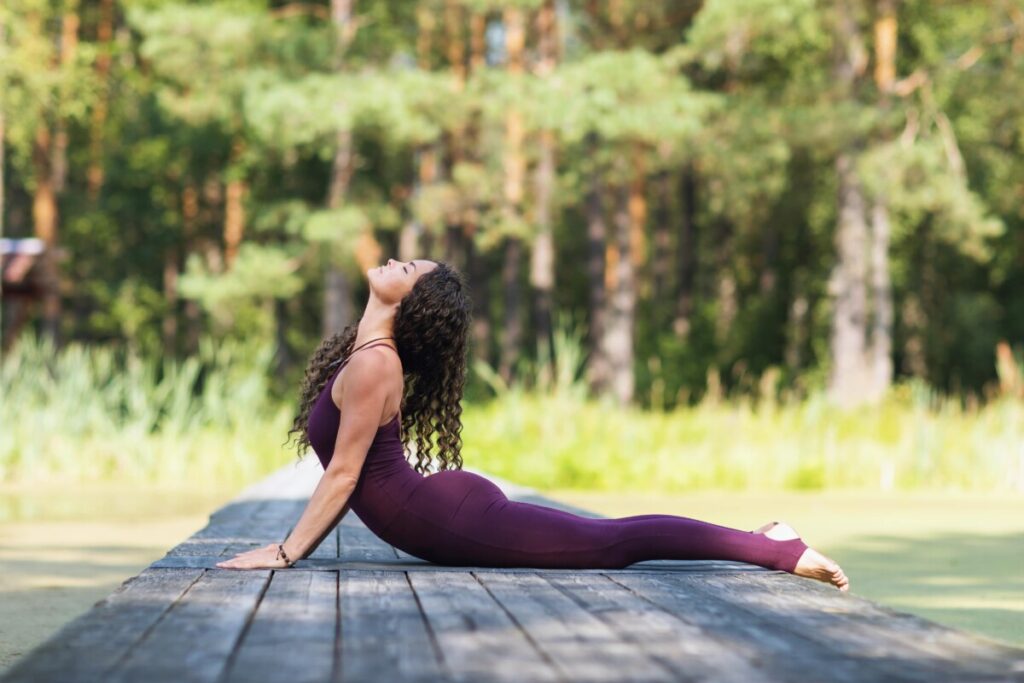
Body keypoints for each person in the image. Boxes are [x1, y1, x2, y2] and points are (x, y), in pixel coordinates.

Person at [216, 258, 850, 592]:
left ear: (411, 305)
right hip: (443, 510)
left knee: (612, 544)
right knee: (605, 542)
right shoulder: (369, 358)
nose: (395, 260)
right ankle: (767, 536)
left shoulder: (377, 365)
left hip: (451, 519)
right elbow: (350, 472)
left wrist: (284, 552)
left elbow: (346, 473)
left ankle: (777, 549)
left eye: (408, 270)